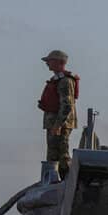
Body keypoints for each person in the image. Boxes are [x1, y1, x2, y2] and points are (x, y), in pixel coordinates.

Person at [38, 48, 79, 182]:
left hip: (60, 124)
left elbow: (67, 105)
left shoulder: (65, 81)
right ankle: (54, 182)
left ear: (58, 62)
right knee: (53, 155)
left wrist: (57, 125)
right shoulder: (58, 79)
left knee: (62, 156)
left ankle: (67, 182)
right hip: (55, 123)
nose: (47, 64)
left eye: (49, 61)